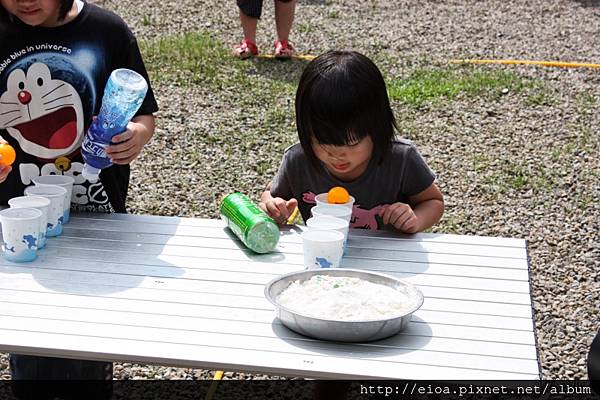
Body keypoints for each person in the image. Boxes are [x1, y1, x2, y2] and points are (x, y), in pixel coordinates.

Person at [0, 0, 158, 397]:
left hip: (96, 217)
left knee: (88, 331)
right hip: (20, 220)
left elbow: (145, 113)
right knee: (31, 335)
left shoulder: (106, 30)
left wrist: (137, 136)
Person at [259, 50, 444, 232]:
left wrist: (415, 220)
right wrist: (273, 206)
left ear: (377, 127)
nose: (337, 155)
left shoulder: (401, 159)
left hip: (386, 256)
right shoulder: (299, 160)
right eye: (323, 143)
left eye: (352, 143)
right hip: (326, 254)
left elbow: (433, 202)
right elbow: (270, 195)